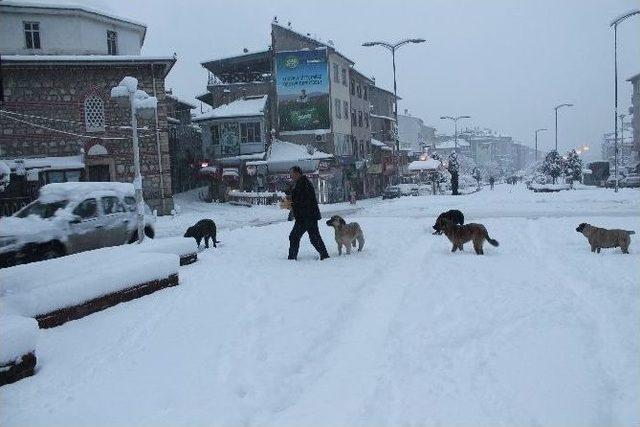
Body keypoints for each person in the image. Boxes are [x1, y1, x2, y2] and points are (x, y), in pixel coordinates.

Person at [287, 166, 329, 261]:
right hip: (307, 216)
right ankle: (324, 255)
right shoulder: (299, 183)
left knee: (294, 236)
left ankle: (292, 258)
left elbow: (304, 200)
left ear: (297, 173)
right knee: (314, 237)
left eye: (292, 173)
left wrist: (292, 203)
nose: (291, 176)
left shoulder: (303, 184)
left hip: (306, 216)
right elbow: (293, 194)